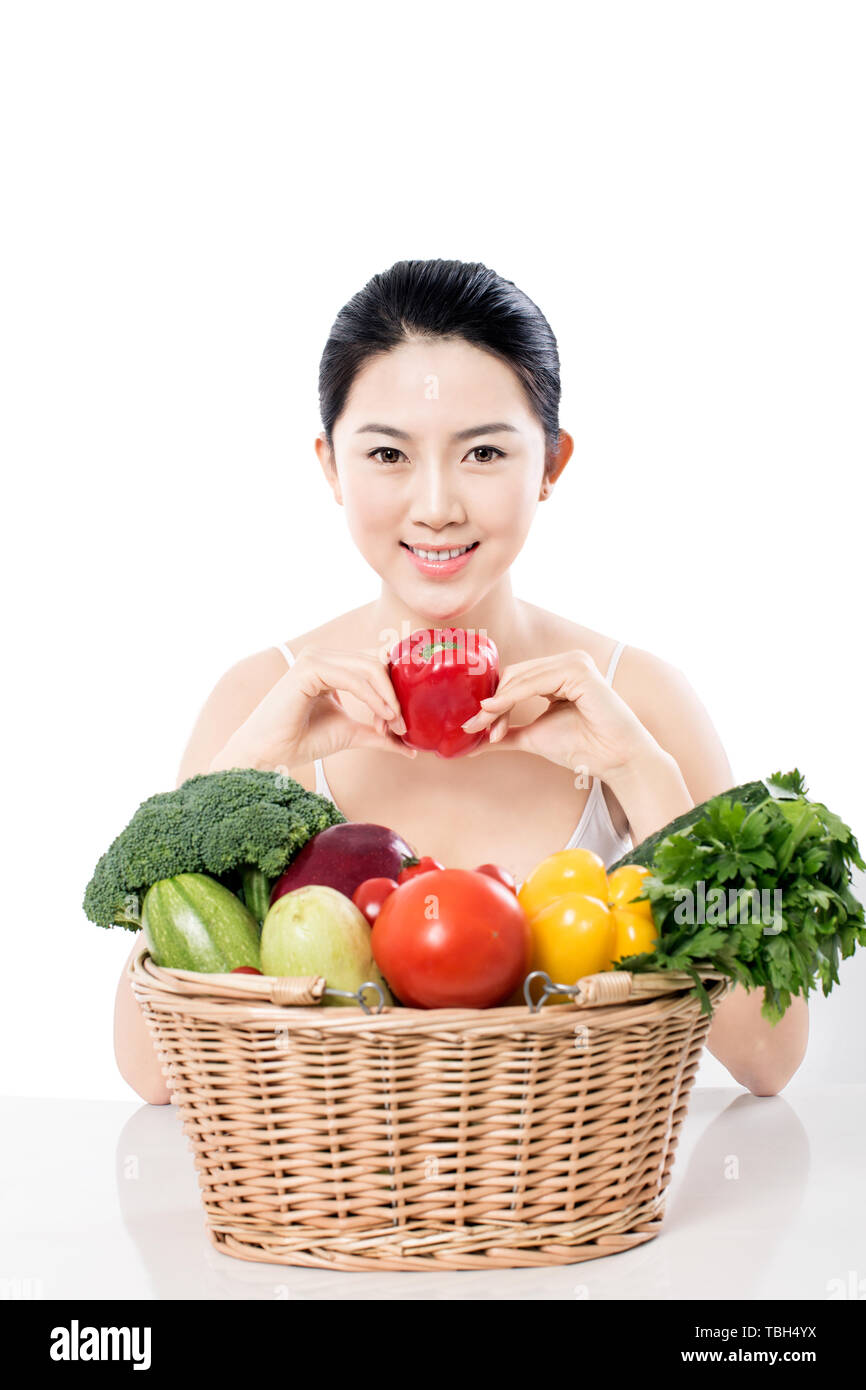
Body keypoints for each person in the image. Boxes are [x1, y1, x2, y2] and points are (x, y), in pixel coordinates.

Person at [114, 258, 808, 1104]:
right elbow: (151, 1075)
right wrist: (245, 765)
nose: (436, 504)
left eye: (483, 450)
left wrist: (644, 776)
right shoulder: (262, 694)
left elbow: (769, 1057)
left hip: (566, 1197)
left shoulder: (641, 696)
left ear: (551, 463)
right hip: (331, 1202)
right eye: (387, 453)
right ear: (331, 465)